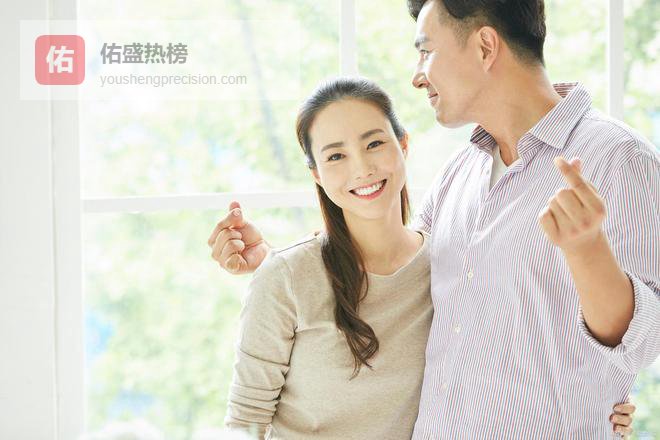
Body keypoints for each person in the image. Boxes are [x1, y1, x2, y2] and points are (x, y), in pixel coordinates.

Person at [211, 0, 659, 437]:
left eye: (426, 51)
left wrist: (587, 252)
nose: (417, 75)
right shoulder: (461, 171)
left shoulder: (618, 159)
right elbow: (398, 270)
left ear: (485, 46)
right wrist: (284, 268)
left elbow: (646, 340)